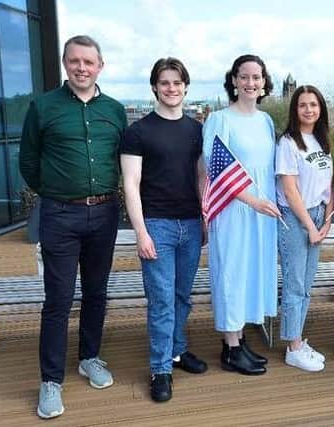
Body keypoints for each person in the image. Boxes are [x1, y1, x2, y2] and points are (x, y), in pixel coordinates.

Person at [19, 35, 127, 419]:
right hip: (60, 215)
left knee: (97, 292)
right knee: (58, 300)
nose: (82, 68)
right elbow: (28, 161)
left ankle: (89, 357)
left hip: (104, 214)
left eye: (89, 62)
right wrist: (55, 192)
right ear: (66, 64)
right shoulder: (43, 106)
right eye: (75, 61)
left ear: (101, 65)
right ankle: (50, 381)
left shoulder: (114, 110)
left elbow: (122, 160)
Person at [121, 57, 207, 403]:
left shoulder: (196, 129)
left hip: (189, 223)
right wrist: (141, 231)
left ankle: (176, 350)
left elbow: (202, 177)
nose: (171, 88)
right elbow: (131, 184)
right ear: (155, 87)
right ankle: (160, 369)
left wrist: (203, 218)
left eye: (177, 82)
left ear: (186, 87)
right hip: (156, 225)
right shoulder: (138, 132)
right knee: (161, 303)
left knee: (182, 296)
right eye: (165, 82)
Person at [203, 54, 279, 375]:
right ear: (233, 80)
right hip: (234, 210)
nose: (250, 83)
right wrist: (252, 201)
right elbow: (216, 168)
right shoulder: (220, 119)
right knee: (232, 274)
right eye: (244, 76)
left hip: (262, 213)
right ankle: (231, 349)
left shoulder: (265, 121)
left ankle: (239, 338)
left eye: (256, 77)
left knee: (252, 272)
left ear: (264, 82)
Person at [276, 85, 333, 372]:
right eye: (302, 105)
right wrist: (311, 226)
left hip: (317, 215)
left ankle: (299, 338)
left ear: (320, 108)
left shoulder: (321, 140)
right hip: (295, 219)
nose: (308, 109)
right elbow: (289, 190)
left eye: (313, 104)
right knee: (295, 284)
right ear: (295, 109)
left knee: (307, 285)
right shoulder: (288, 143)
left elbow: (326, 184)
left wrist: (327, 217)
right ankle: (293, 347)